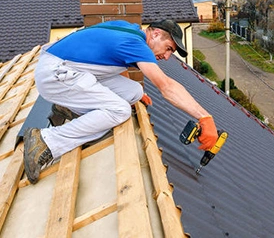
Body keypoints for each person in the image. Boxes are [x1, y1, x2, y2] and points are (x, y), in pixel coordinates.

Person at [23, 19, 218, 184]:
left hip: (68, 67)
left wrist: (136, 94)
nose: (166, 57)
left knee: (134, 91)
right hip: (56, 74)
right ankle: (45, 140)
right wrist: (205, 117)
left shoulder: (130, 30)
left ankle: (70, 105)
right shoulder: (136, 44)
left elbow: (106, 61)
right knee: (120, 111)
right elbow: (166, 87)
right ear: (156, 34)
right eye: (168, 49)